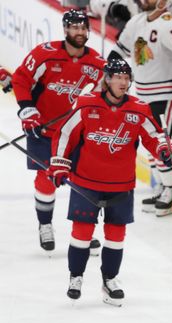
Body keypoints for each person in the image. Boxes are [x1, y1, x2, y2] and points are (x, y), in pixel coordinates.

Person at [49, 59, 172, 305]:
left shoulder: (139, 109)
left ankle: (110, 279)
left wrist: (163, 148)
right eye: (119, 77)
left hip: (121, 183)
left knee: (116, 235)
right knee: (82, 232)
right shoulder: (85, 104)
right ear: (107, 79)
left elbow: (154, 135)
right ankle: (76, 276)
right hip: (86, 181)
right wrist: (59, 164)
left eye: (127, 78)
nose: (124, 83)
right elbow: (65, 134)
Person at [11, 9, 106, 253]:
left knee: (83, 182)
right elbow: (21, 80)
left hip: (75, 135)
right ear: (65, 30)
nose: (80, 32)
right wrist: (27, 110)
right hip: (44, 131)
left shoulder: (96, 64)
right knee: (46, 180)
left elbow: (101, 100)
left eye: (83, 28)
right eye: (74, 28)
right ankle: (45, 225)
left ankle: (82, 230)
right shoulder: (45, 54)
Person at [109, 0, 172, 215]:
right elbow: (119, 51)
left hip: (167, 91)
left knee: (162, 142)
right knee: (151, 142)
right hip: (143, 93)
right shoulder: (136, 21)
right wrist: (105, 74)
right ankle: (164, 186)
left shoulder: (169, 24)